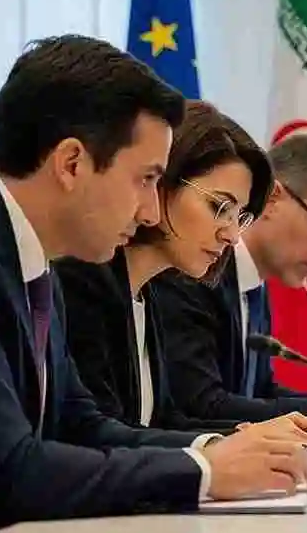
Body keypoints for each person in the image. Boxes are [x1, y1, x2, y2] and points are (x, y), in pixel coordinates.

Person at [0, 35, 307, 528]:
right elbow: (8, 470)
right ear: (72, 163)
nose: (148, 210)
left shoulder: (37, 266)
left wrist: (217, 451)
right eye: (145, 180)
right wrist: (203, 470)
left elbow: (82, 425)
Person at [56, 100, 277, 431]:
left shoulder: (149, 291)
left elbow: (162, 420)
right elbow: (93, 435)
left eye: (240, 217)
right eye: (219, 206)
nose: (231, 235)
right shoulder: (81, 280)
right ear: (161, 182)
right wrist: (216, 450)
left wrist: (243, 438)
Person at [151, 133, 307, 430]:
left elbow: (258, 393)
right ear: (272, 198)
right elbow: (199, 406)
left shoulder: (253, 282)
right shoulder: (193, 273)